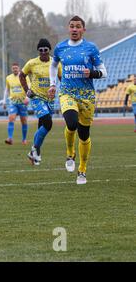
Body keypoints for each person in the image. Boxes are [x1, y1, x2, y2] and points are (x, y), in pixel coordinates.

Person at [48, 15, 108, 185]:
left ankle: (82, 170)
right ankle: (69, 151)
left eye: (78, 26)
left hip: (87, 96)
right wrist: (53, 84)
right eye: (72, 26)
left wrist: (93, 73)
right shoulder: (60, 48)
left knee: (84, 134)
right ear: (68, 28)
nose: (74, 29)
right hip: (67, 93)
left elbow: (104, 71)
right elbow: (53, 66)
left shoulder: (91, 48)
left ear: (83, 29)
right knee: (71, 123)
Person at [20, 39, 62, 166]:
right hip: (37, 97)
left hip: (50, 99)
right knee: (48, 124)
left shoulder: (56, 63)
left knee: (41, 126)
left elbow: (62, 78)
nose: (43, 52)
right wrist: (27, 90)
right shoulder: (32, 63)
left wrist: (65, 92)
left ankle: (35, 153)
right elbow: (22, 75)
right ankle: (34, 150)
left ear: (49, 50)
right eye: (41, 50)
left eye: (46, 49)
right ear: (38, 51)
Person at [2, 63, 30, 145]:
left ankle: (24, 139)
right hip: (13, 102)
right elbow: (6, 90)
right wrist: (4, 101)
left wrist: (27, 98)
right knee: (11, 118)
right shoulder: (8, 78)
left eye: (16, 68)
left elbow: (29, 87)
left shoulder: (24, 77)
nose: (15, 69)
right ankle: (10, 138)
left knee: (23, 121)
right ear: (12, 69)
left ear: (19, 68)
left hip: (22, 102)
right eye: (13, 68)